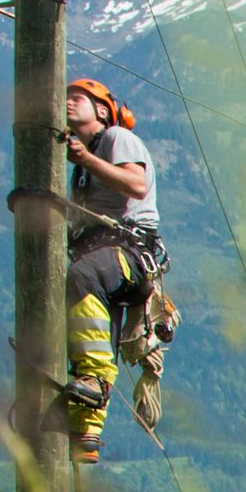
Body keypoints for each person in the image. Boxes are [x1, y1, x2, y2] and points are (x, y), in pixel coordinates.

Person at [53, 78, 172, 460]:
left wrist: (86, 159)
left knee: (83, 278)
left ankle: (96, 379)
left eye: (77, 99)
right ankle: (85, 433)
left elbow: (136, 185)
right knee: (75, 312)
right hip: (104, 254)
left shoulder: (114, 138)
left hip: (128, 252)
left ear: (102, 110)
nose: (68, 104)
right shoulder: (83, 163)